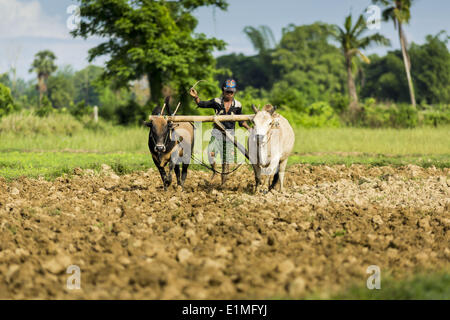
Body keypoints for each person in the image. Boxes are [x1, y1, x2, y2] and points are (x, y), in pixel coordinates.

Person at [189, 79, 251, 185]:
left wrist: (249, 128)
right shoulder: (216, 102)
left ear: (234, 92)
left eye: (232, 92)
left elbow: (240, 119)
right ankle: (215, 172)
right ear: (223, 91)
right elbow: (202, 104)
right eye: (227, 92)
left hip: (230, 135)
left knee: (226, 160)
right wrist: (196, 97)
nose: (229, 94)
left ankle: (223, 183)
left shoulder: (238, 105)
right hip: (217, 132)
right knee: (211, 153)